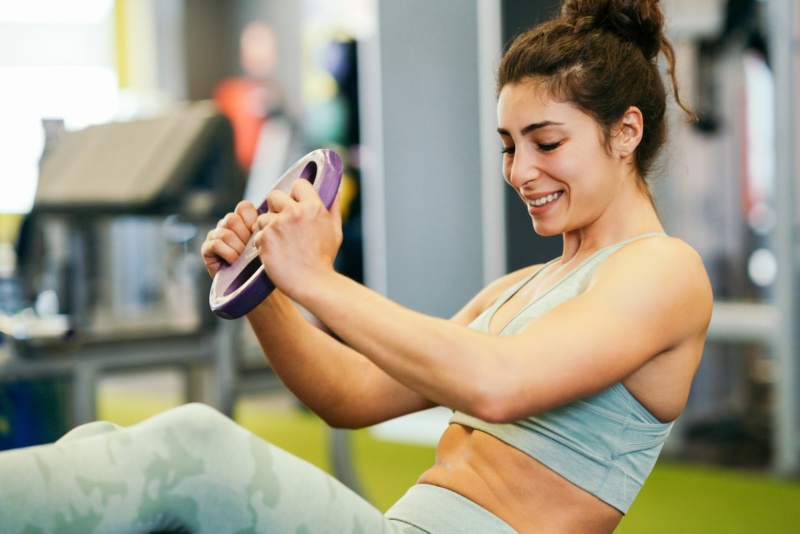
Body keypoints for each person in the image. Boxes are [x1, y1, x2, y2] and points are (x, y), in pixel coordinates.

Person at [0, 1, 712, 532]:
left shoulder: (665, 272)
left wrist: (318, 278)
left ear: (625, 132)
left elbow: (499, 385)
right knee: (105, 452)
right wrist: (267, 289)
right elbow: (346, 394)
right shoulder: (522, 289)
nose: (520, 170)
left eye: (546, 142)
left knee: (193, 447)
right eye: (507, 145)